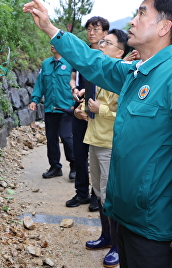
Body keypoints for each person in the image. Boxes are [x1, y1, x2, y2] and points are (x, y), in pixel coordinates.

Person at [23, 0, 172, 268]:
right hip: (126, 217)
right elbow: (94, 62)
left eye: (141, 14)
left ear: (164, 26)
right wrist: (51, 29)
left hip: (154, 225)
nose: (132, 22)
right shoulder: (136, 73)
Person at [74, 29, 130, 268]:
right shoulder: (98, 74)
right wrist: (81, 111)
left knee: (110, 195)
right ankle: (106, 237)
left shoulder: (124, 77)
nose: (101, 44)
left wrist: (100, 111)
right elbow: (90, 105)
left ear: (120, 51)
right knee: (98, 192)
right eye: (101, 41)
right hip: (94, 138)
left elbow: (129, 116)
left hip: (110, 142)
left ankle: (118, 246)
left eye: (107, 42)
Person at [66, 16, 108, 209]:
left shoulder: (108, 55)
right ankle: (81, 192)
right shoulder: (82, 54)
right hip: (80, 108)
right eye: (89, 29)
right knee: (79, 153)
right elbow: (73, 78)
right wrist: (74, 90)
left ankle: (95, 195)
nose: (91, 33)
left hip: (98, 111)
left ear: (105, 33)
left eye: (96, 29)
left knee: (98, 155)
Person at [29, 45, 75, 179]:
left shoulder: (71, 63)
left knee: (67, 138)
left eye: (57, 43)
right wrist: (35, 99)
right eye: (51, 43)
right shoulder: (46, 64)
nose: (53, 45)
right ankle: (55, 167)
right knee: (51, 139)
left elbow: (76, 84)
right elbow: (40, 83)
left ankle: (74, 166)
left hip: (67, 108)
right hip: (50, 108)